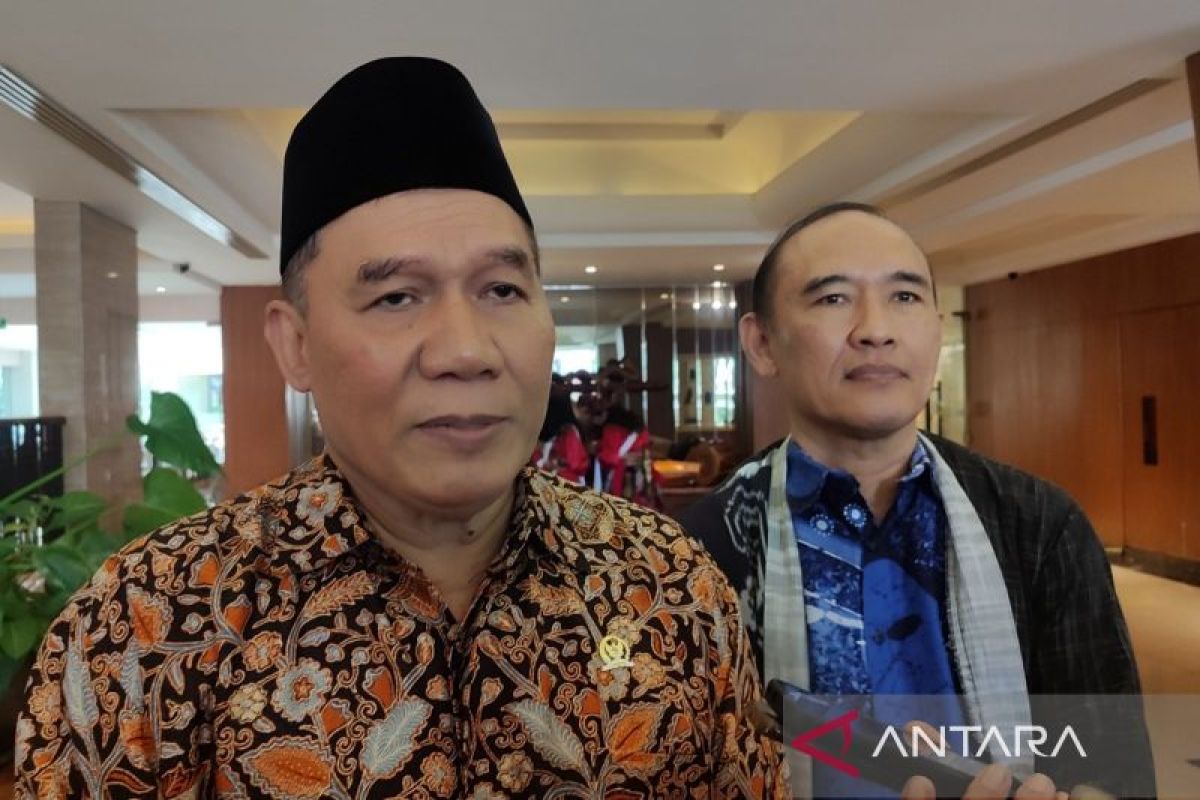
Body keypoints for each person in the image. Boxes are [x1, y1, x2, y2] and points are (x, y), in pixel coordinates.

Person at [15, 58, 784, 799]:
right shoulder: (144, 626)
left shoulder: (670, 588)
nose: (466, 351)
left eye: (502, 290)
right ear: (295, 344)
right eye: (396, 298)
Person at [682, 202, 1154, 798]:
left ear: (937, 326)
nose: (875, 329)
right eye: (833, 298)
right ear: (762, 343)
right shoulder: (700, 551)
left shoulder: (1037, 525)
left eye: (904, 297)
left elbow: (1113, 765)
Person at [532, 380, 588, 483]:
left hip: (547, 480)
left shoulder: (539, 430)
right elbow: (576, 463)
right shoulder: (569, 431)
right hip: (564, 482)